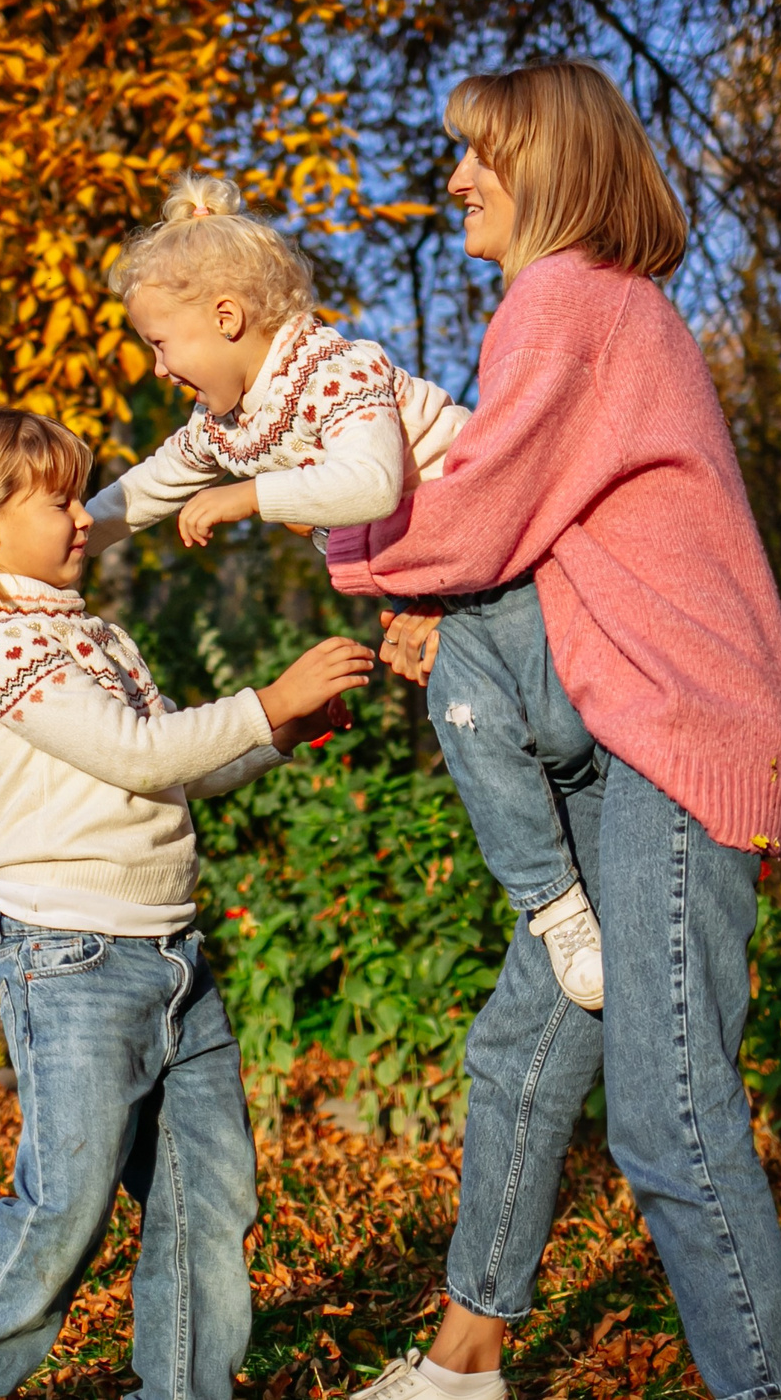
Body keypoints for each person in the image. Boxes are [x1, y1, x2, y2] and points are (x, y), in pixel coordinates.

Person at [327, 63, 781, 1400]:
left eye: (480, 156)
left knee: (672, 1119)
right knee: (528, 1046)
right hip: (623, 721)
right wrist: (453, 612)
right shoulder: (606, 312)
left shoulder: (569, 299)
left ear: (549, 165)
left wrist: (333, 530)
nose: (457, 181)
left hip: (671, 728)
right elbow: (542, 534)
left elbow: (479, 511)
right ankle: (465, 1362)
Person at [0, 405, 377, 1400]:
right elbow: (138, 752)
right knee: (63, 1205)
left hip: (175, 958)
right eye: (57, 499)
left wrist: (281, 732)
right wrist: (266, 698)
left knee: (206, 1195)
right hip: (73, 964)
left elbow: (174, 771)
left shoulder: (96, 636)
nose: (79, 516)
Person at [87, 173, 610, 1009]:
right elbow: (148, 488)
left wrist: (251, 496)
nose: (159, 369)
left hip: (514, 557)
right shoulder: (234, 420)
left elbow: (368, 483)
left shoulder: (335, 370)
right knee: (471, 726)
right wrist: (80, 533)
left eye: (161, 343)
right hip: (453, 590)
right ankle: (557, 908)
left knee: (557, 729)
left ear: (227, 319)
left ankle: (609, 858)